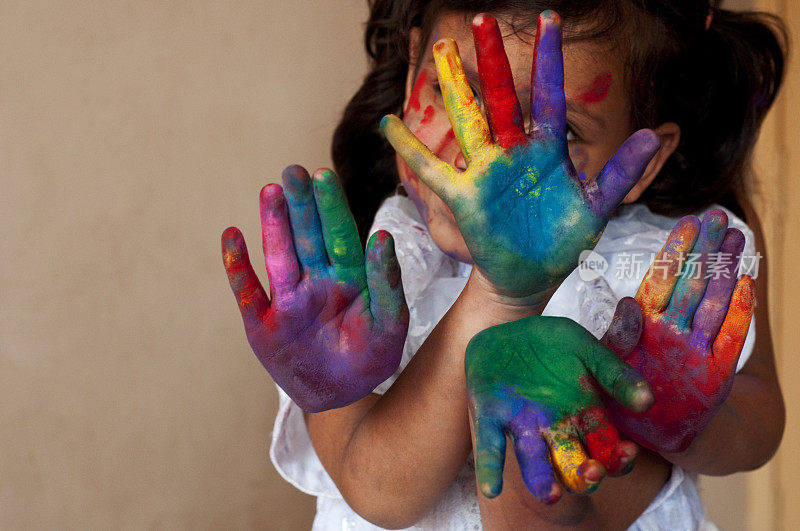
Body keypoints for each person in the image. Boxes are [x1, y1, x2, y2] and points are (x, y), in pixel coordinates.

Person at [222, 1, 786, 529]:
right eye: (458, 94)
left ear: (641, 161)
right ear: (414, 60)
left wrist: (677, 420)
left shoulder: (683, 254)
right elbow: (380, 495)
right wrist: (500, 297)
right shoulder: (359, 272)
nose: (490, 161)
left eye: (560, 130)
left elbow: (761, 421)